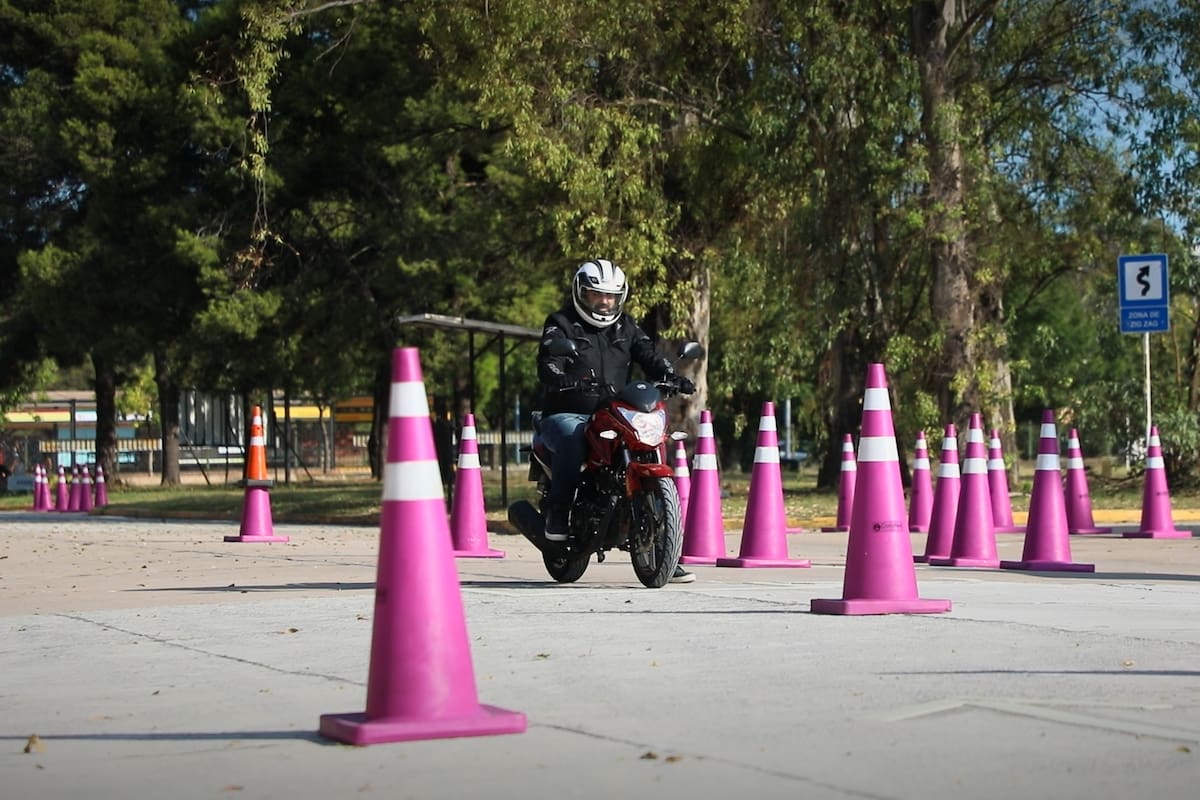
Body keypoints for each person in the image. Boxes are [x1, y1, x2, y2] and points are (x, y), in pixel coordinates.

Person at [536, 258, 697, 583]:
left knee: (650, 440)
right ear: (582, 292)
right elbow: (548, 360)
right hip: (568, 413)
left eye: (610, 296)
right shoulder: (561, 323)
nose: (604, 302)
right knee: (573, 437)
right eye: (597, 294)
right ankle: (558, 512)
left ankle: (665, 551)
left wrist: (670, 374)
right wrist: (561, 376)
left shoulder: (626, 327)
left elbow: (648, 355)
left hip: (614, 410)